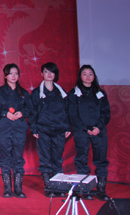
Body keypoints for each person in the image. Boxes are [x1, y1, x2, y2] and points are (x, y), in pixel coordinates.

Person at [68, 65, 111, 201]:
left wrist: (98, 127)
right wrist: (85, 128)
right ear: (80, 76)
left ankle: (101, 190)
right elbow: (72, 114)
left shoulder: (100, 93)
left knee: (101, 160)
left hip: (99, 131)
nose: (87, 77)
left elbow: (105, 113)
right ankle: (85, 189)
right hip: (82, 131)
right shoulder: (74, 94)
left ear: (94, 76)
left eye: (90, 74)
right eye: (84, 74)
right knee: (81, 159)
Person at [27, 62, 70, 197]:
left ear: (55, 74)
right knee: (45, 160)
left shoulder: (61, 92)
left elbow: (68, 111)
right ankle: (49, 187)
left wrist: (68, 127)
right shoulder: (36, 93)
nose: (49, 74)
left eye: (52, 72)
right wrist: (34, 129)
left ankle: (59, 187)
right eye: (46, 71)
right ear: (42, 74)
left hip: (59, 130)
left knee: (57, 160)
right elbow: (32, 112)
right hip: (43, 131)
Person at [0, 63, 31, 198]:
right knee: (5, 157)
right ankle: (7, 188)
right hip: (3, 129)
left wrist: (22, 113)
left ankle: (18, 188)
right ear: (5, 75)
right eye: (11, 73)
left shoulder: (24, 93)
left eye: (16, 74)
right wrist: (5, 113)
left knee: (18, 157)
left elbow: (30, 108)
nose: (13, 76)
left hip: (19, 129)